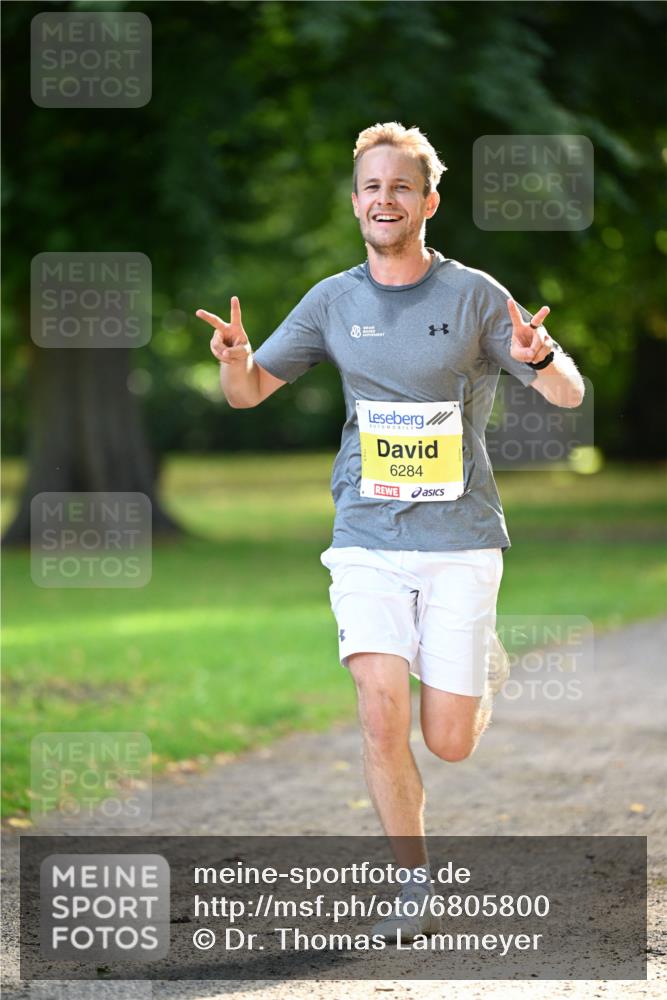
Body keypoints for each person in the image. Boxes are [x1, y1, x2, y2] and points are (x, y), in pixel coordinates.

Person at [196, 122, 585, 941]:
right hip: (365, 536)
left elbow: (568, 395)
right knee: (378, 708)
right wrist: (234, 362)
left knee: (448, 742)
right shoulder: (331, 300)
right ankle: (412, 885)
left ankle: (479, 665)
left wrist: (542, 358)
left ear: (427, 202)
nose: (385, 199)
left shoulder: (475, 295)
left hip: (460, 540)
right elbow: (249, 391)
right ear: (354, 202)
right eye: (371, 187)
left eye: (401, 186)